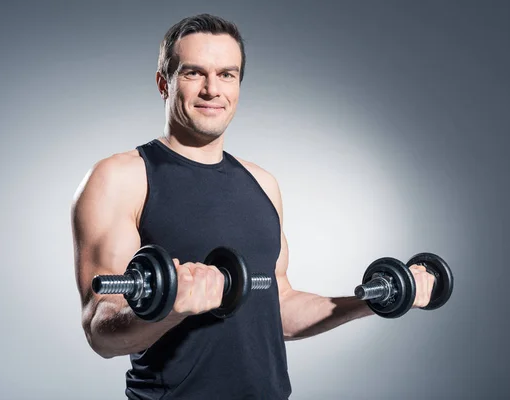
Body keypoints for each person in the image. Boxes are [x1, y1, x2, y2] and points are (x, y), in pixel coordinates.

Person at [71, 13, 436, 400]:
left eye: (227, 74)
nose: (213, 89)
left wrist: (377, 299)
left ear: (239, 84)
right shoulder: (121, 177)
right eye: (195, 73)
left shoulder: (263, 183)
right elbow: (101, 332)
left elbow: (278, 307)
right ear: (165, 82)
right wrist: (175, 308)